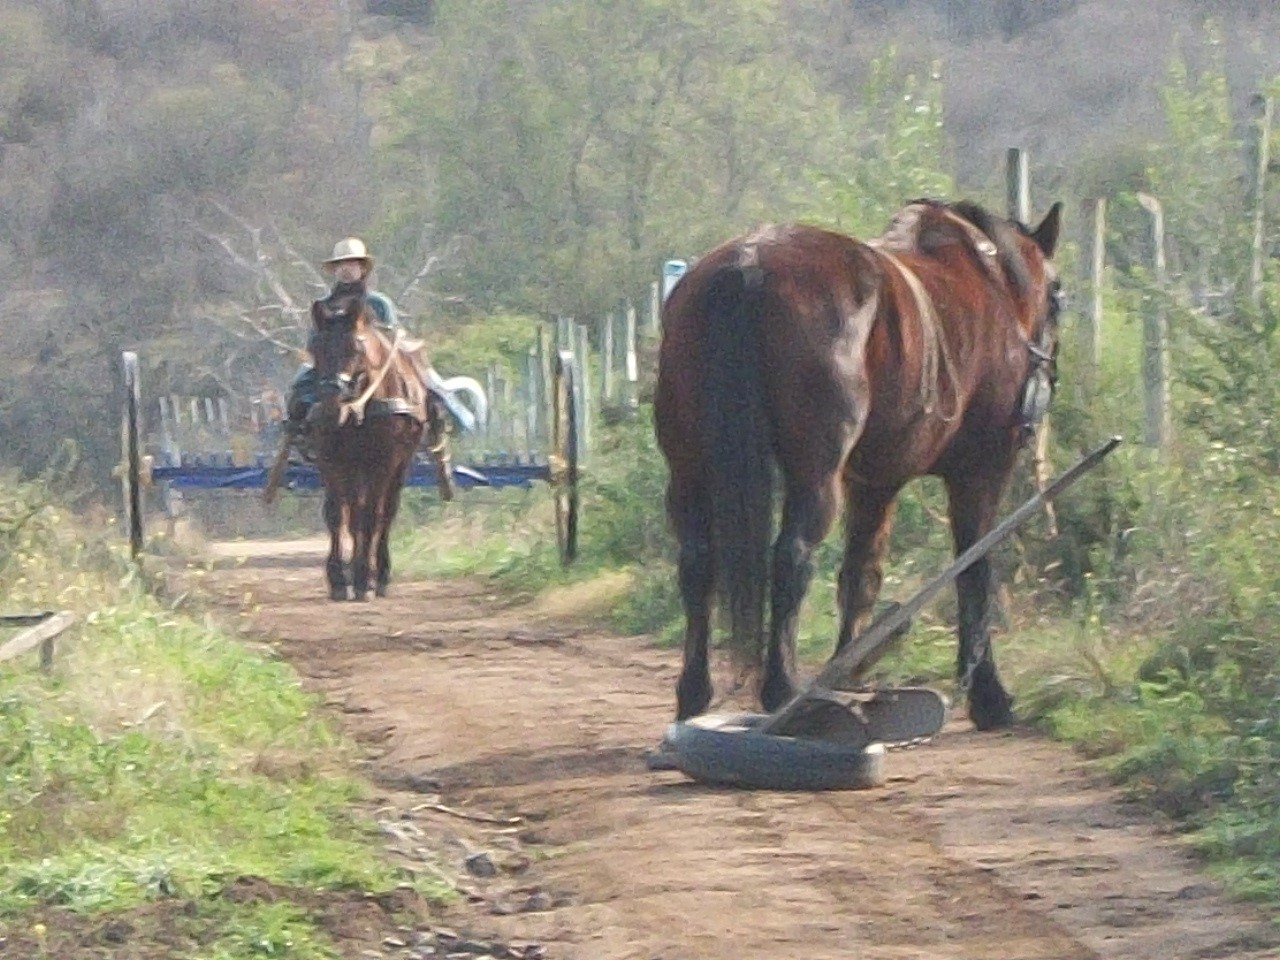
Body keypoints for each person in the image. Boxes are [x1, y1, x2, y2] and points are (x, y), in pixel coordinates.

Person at [285, 238, 404, 433]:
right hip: (331, 367)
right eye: (340, 264)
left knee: (426, 381)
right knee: (299, 385)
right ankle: (297, 429)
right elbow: (315, 339)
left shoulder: (378, 303)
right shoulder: (324, 305)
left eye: (351, 263)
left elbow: (390, 339)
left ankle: (436, 423)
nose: (345, 269)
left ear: (362, 268)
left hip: (374, 368)